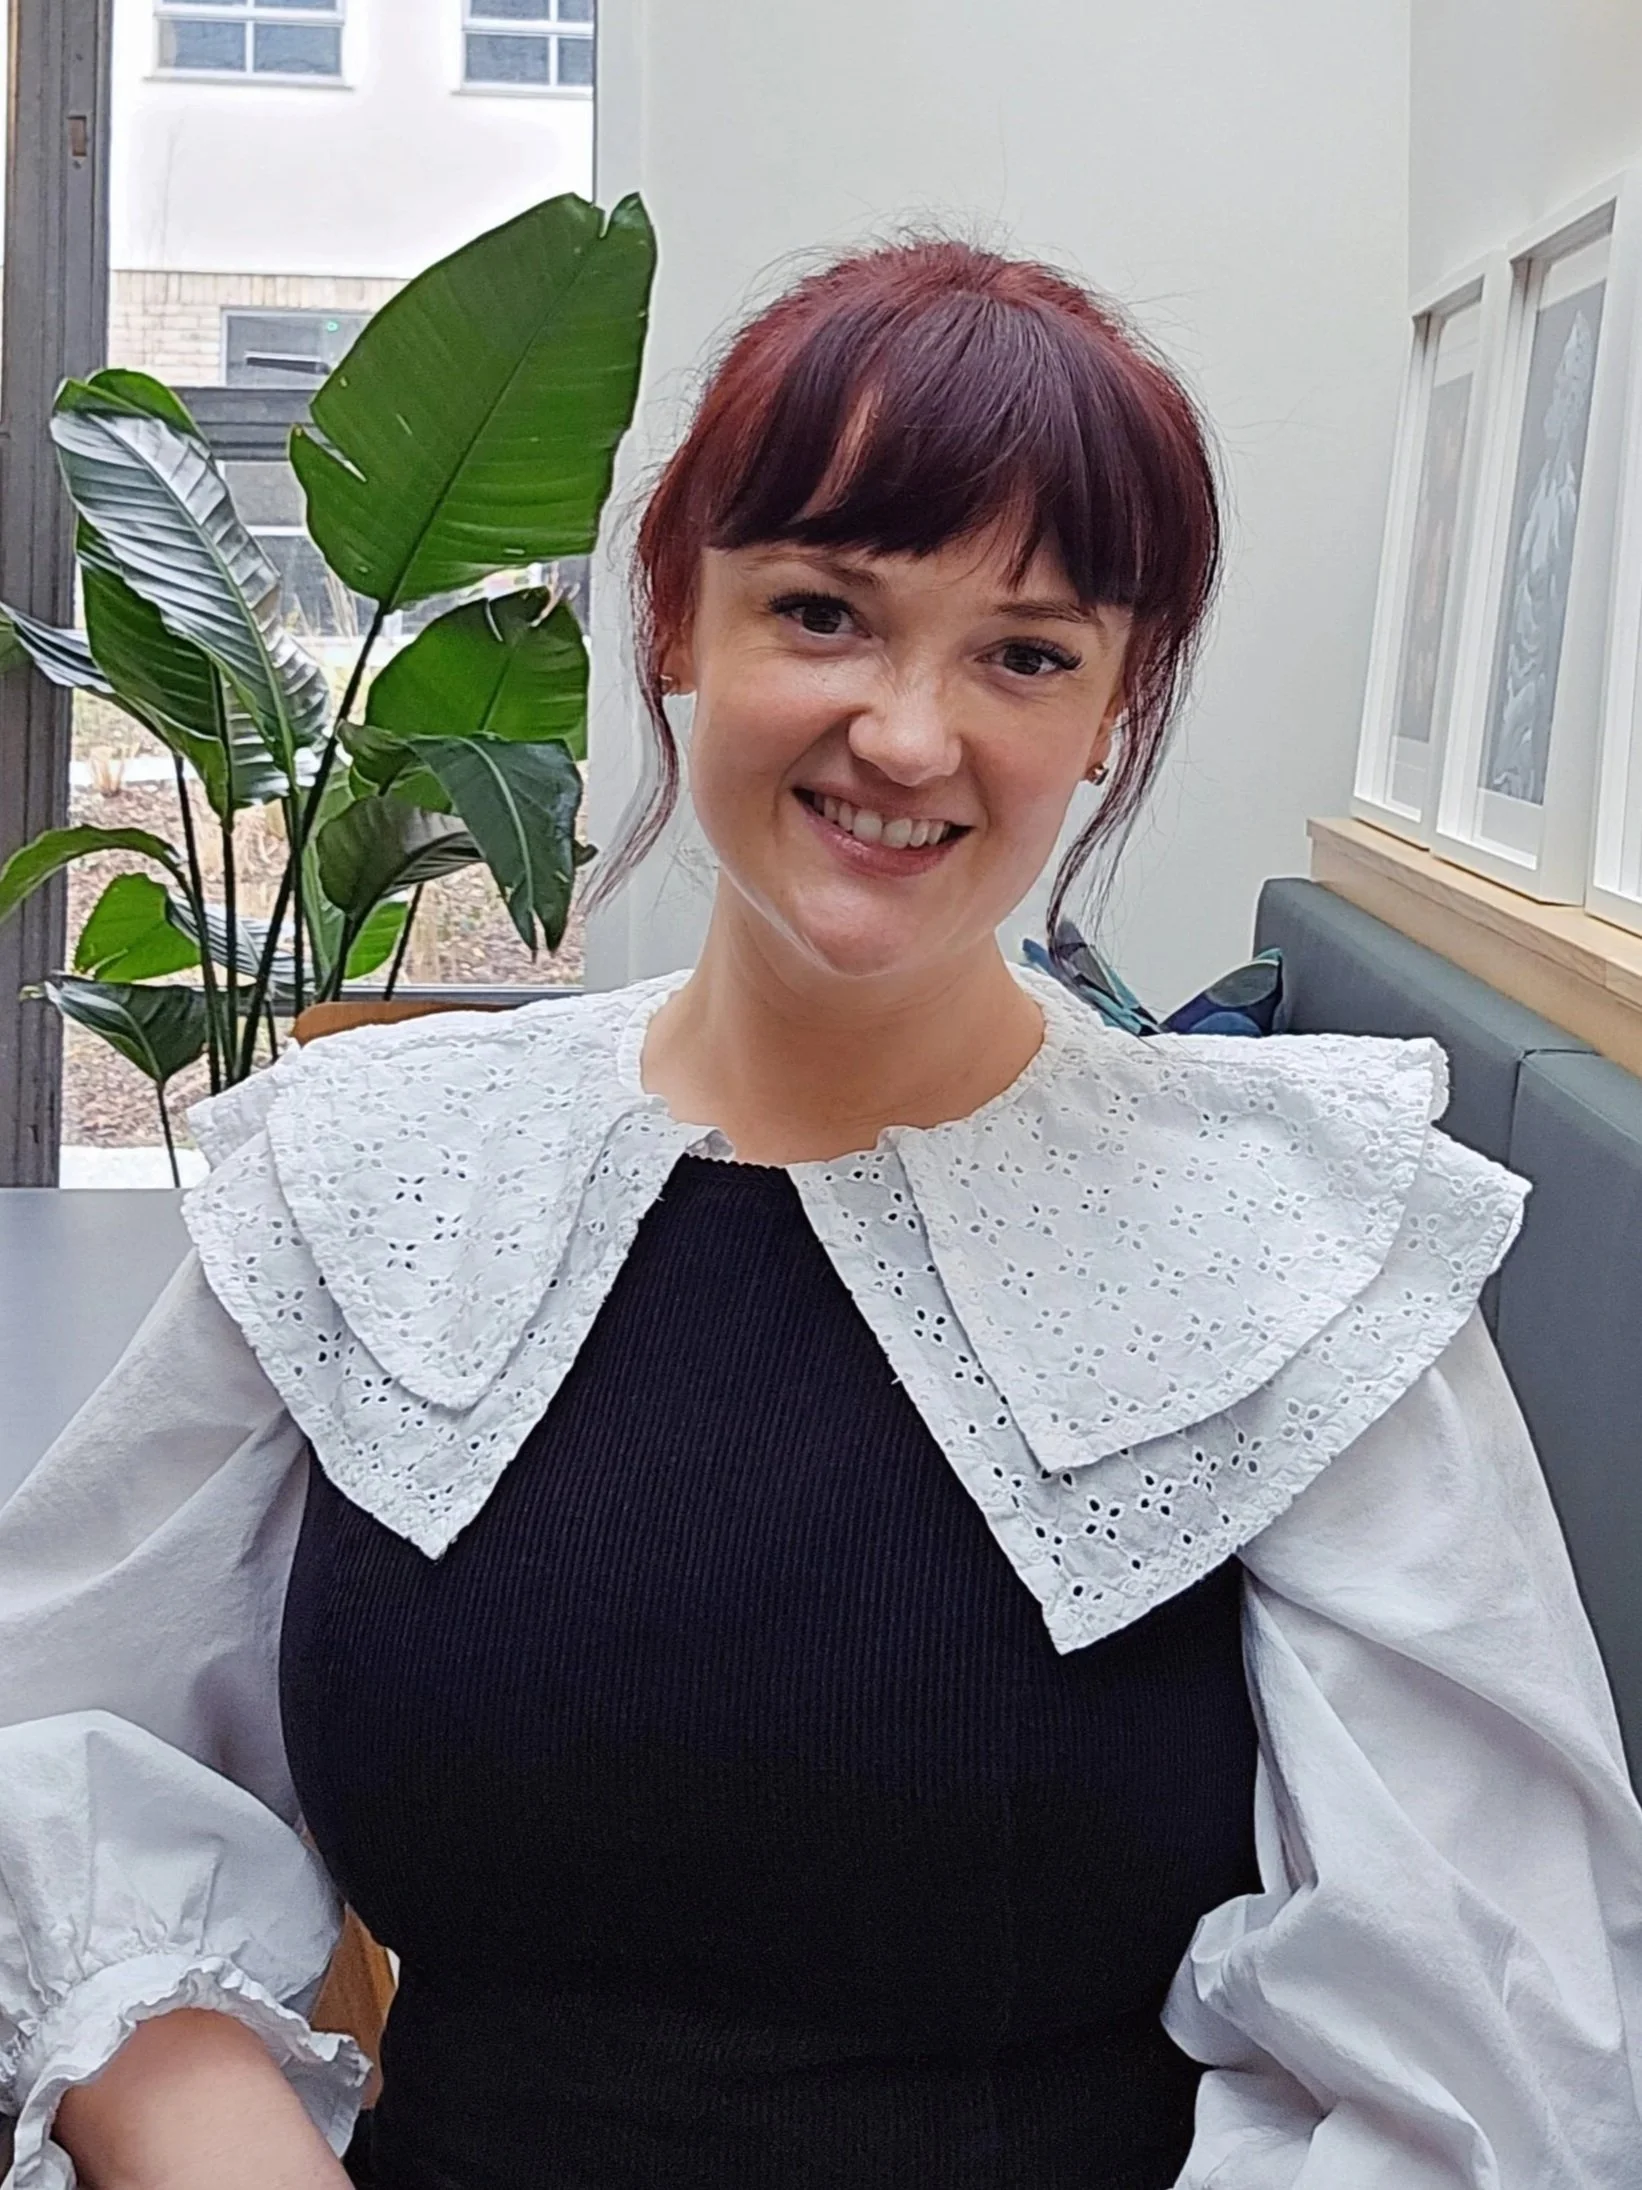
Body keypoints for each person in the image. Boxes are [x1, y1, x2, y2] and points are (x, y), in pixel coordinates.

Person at [3, 237, 1640, 2190]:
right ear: (677, 623)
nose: (908, 735)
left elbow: (1480, 2047)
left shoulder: (1296, 1246)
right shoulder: (377, 1170)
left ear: (1116, 713)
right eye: (825, 614)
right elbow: (66, 1746)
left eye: (1024, 652)